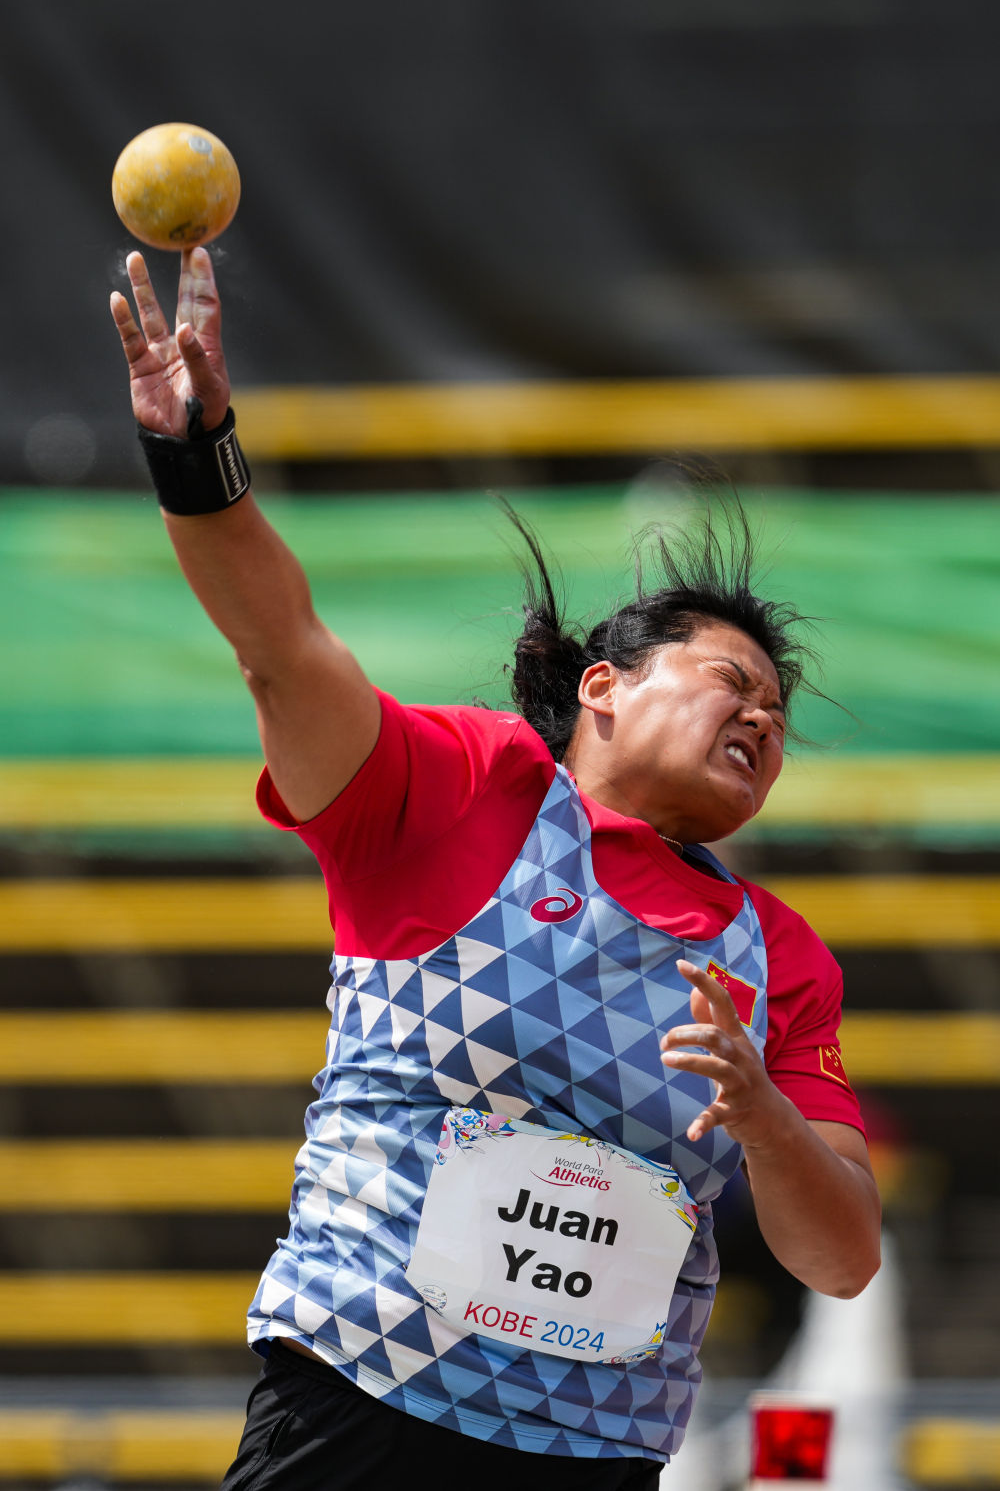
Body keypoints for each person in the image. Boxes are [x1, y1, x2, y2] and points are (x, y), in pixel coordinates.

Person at [110, 247, 880, 1491]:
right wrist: (197, 458)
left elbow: (841, 1258)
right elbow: (281, 650)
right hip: (359, 1407)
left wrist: (764, 1117)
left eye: (777, 718)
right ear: (603, 688)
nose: (760, 720)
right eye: (730, 682)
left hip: (591, 1456)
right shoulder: (466, 788)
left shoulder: (776, 955)